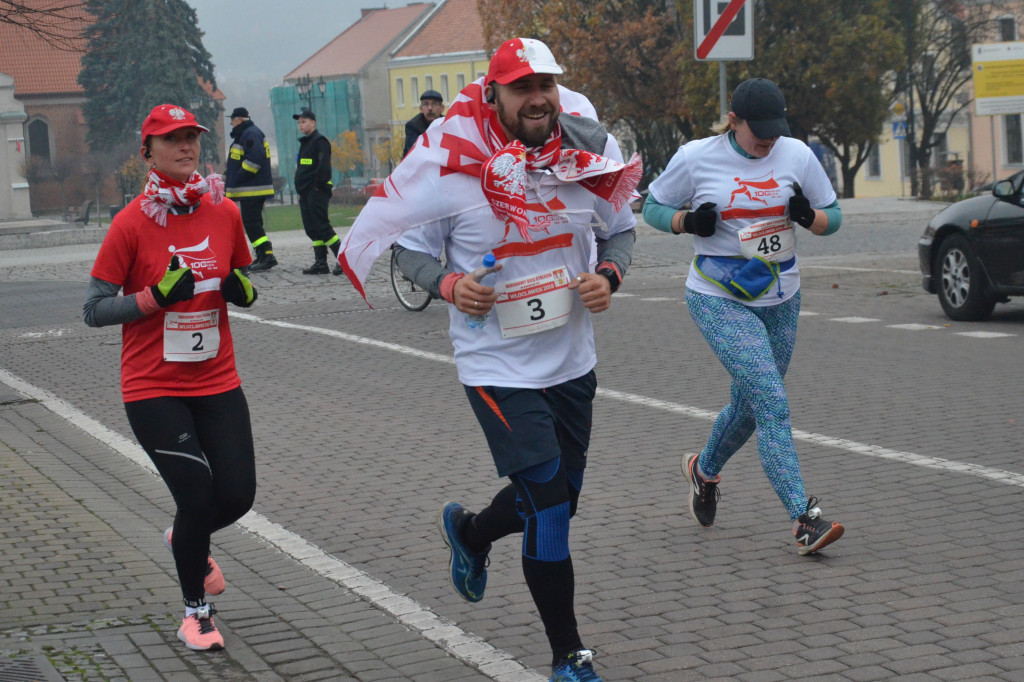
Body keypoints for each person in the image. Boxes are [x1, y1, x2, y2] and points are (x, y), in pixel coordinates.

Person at [337, 38, 642, 682]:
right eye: (522, 88)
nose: (537, 99)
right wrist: (449, 285)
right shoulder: (451, 163)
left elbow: (620, 227)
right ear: (495, 93)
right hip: (496, 368)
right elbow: (407, 251)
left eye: (545, 86)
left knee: (559, 500)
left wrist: (609, 275)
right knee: (549, 509)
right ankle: (569, 657)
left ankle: (471, 533)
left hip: (571, 361)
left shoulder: (586, 154)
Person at [642, 78, 846, 555]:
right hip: (718, 296)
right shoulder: (697, 157)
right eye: (760, 131)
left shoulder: (797, 155)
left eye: (776, 129)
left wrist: (808, 217)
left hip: (782, 295)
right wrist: (687, 221)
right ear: (733, 121)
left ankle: (703, 470)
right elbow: (652, 207)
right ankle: (804, 520)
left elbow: (833, 217)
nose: (769, 139)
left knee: (751, 406)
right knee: (772, 401)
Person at [83, 103, 259, 651]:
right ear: (148, 152)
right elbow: (93, 309)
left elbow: (243, 279)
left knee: (238, 495)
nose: (186, 146)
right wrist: (153, 298)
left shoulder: (223, 211)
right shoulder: (131, 222)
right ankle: (195, 614)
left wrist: (243, 291)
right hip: (153, 386)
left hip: (217, 379)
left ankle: (185, 536)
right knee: (198, 497)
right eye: (172, 138)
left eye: (192, 137)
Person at [225, 106, 277, 272]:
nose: (231, 124)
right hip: (251, 189)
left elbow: (255, 160)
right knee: (253, 222)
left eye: (232, 120)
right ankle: (262, 255)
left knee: (251, 223)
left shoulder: (250, 134)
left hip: (253, 189)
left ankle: (267, 255)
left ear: (240, 119)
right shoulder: (246, 134)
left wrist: (237, 177)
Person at [293, 108, 342, 275]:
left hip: (316, 191)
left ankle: (343, 259)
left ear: (313, 123)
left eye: (303, 121)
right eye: (299, 122)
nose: (300, 125)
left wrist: (316, 186)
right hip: (305, 192)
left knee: (322, 226)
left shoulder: (320, 141)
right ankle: (321, 263)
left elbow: (324, 167)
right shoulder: (305, 142)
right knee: (312, 228)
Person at [403, 88, 444, 156]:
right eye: (426, 104)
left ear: (442, 108)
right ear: (421, 108)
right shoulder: (413, 126)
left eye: (434, 104)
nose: (430, 108)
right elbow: (415, 152)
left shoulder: (447, 124)